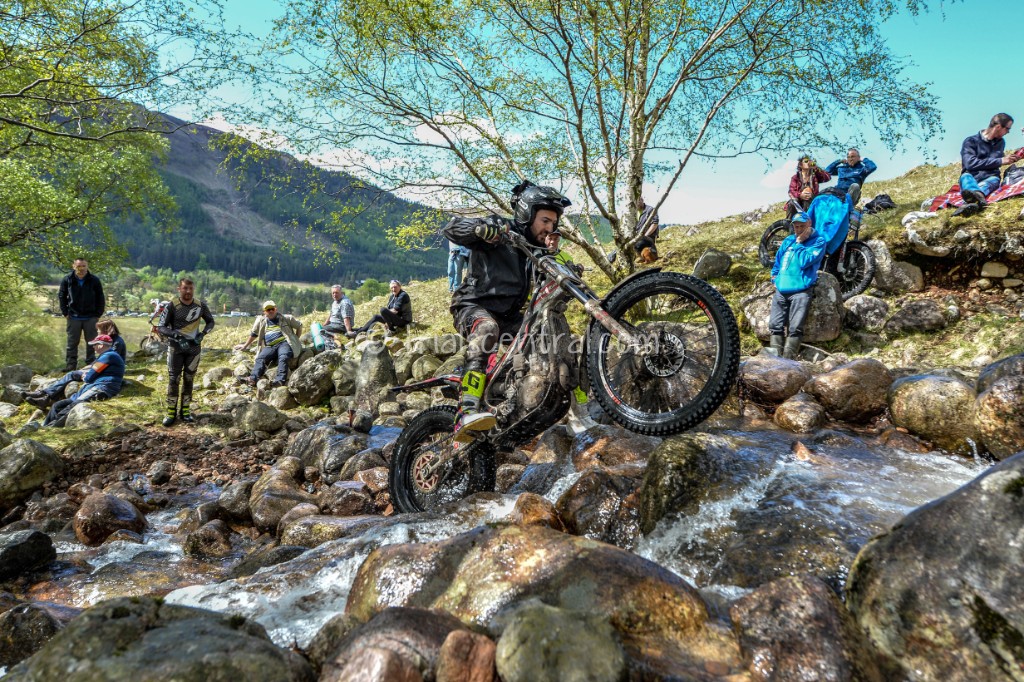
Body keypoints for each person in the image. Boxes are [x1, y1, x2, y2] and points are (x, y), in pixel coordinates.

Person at [442, 179, 570, 441]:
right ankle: (467, 410)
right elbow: (452, 229)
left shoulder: (535, 250)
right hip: (473, 305)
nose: (549, 228)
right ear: (528, 214)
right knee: (487, 329)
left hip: (511, 317)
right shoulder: (500, 228)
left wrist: (555, 260)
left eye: (553, 223)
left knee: (547, 337)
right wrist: (480, 229)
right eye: (545, 221)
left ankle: (516, 404)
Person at [24, 335, 125, 427]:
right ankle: (44, 426)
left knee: (72, 406)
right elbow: (92, 373)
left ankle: (51, 427)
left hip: (101, 388)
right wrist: (86, 375)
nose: (93, 347)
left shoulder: (109, 356)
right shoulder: (106, 356)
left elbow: (89, 377)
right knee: (57, 405)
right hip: (92, 387)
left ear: (101, 345)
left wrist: (86, 376)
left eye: (94, 345)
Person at [155, 277, 215, 427]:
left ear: (193, 289)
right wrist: (176, 335)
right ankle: (171, 412)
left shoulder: (200, 305)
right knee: (174, 379)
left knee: (189, 379)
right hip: (175, 348)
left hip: (194, 349)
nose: (188, 291)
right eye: (185, 288)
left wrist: (203, 334)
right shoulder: (172, 305)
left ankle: (185, 411)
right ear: (179, 289)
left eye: (190, 288)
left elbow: (211, 321)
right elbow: (161, 327)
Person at [769, 212, 827, 360]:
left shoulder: (818, 241)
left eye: (802, 226)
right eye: (796, 226)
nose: (799, 229)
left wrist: (800, 242)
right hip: (781, 290)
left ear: (809, 224)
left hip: (801, 291)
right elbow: (778, 261)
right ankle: (773, 362)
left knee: (795, 328)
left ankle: (788, 362)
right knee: (775, 326)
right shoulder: (788, 240)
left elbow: (805, 261)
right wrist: (774, 278)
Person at [958, 113, 1020, 214]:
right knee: (965, 177)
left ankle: (972, 200)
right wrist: (1000, 161)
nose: (1008, 132)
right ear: (998, 127)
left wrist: (1012, 157)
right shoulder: (971, 141)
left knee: (991, 182)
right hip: (971, 176)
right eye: (1007, 129)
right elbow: (970, 163)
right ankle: (978, 199)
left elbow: (996, 160)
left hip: (991, 177)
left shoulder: (1001, 142)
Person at [233, 300, 303, 387]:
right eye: (268, 310)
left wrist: (296, 339)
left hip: (284, 343)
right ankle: (252, 379)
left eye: (272, 309)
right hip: (270, 346)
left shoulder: (287, 318)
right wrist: (245, 346)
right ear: (264, 312)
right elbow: (254, 334)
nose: (270, 311)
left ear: (276, 309)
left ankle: (279, 381)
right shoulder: (261, 321)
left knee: (283, 356)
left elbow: (299, 326)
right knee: (260, 358)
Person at [58, 258, 105, 372]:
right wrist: (65, 313)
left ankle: (91, 364)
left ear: (87, 266)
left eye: (84, 266)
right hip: (73, 316)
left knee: (92, 343)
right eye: (79, 266)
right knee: (72, 343)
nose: (82, 268)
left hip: (91, 317)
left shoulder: (94, 280)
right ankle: (71, 366)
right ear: (74, 266)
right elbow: (62, 296)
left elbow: (101, 297)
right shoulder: (67, 279)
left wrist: (98, 314)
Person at [807, 188, 853, 273]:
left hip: (820, 199)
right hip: (838, 201)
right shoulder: (846, 198)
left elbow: (808, 220)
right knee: (830, 232)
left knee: (818, 229)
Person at [634, 198, 660, 263]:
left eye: (638, 201)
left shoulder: (650, 210)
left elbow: (655, 224)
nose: (637, 203)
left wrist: (645, 235)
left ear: (642, 200)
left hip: (648, 237)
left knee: (638, 245)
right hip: (637, 237)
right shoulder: (633, 212)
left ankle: (645, 258)